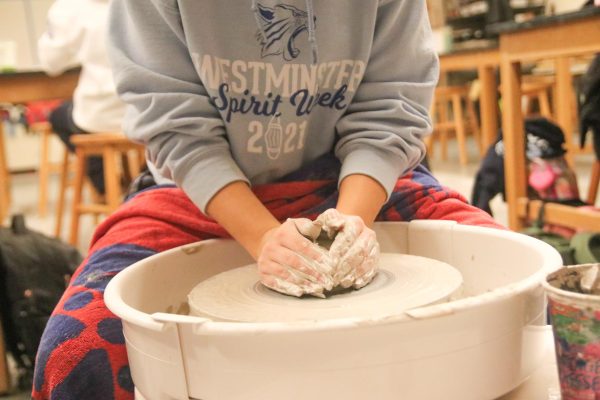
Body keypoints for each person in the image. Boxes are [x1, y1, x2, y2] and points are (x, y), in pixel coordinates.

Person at [32, 1, 502, 398]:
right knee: (75, 352)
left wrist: (346, 227)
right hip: (203, 191)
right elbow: (176, 124)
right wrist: (262, 239)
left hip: (352, 177)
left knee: (513, 291)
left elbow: (390, 108)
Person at [37, 0, 125, 195]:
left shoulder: (69, 8)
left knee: (58, 116)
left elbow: (51, 64)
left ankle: (102, 183)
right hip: (141, 110)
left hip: (98, 113)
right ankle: (134, 180)